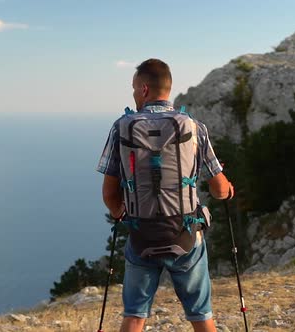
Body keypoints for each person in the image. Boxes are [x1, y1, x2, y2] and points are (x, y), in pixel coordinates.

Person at [96, 58, 234, 332]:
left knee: (134, 316)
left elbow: (110, 192)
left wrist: (119, 211)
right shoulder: (193, 127)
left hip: (141, 235)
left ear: (144, 89)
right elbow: (219, 189)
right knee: (201, 314)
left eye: (134, 88)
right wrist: (226, 189)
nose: (133, 94)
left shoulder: (121, 127)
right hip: (185, 234)